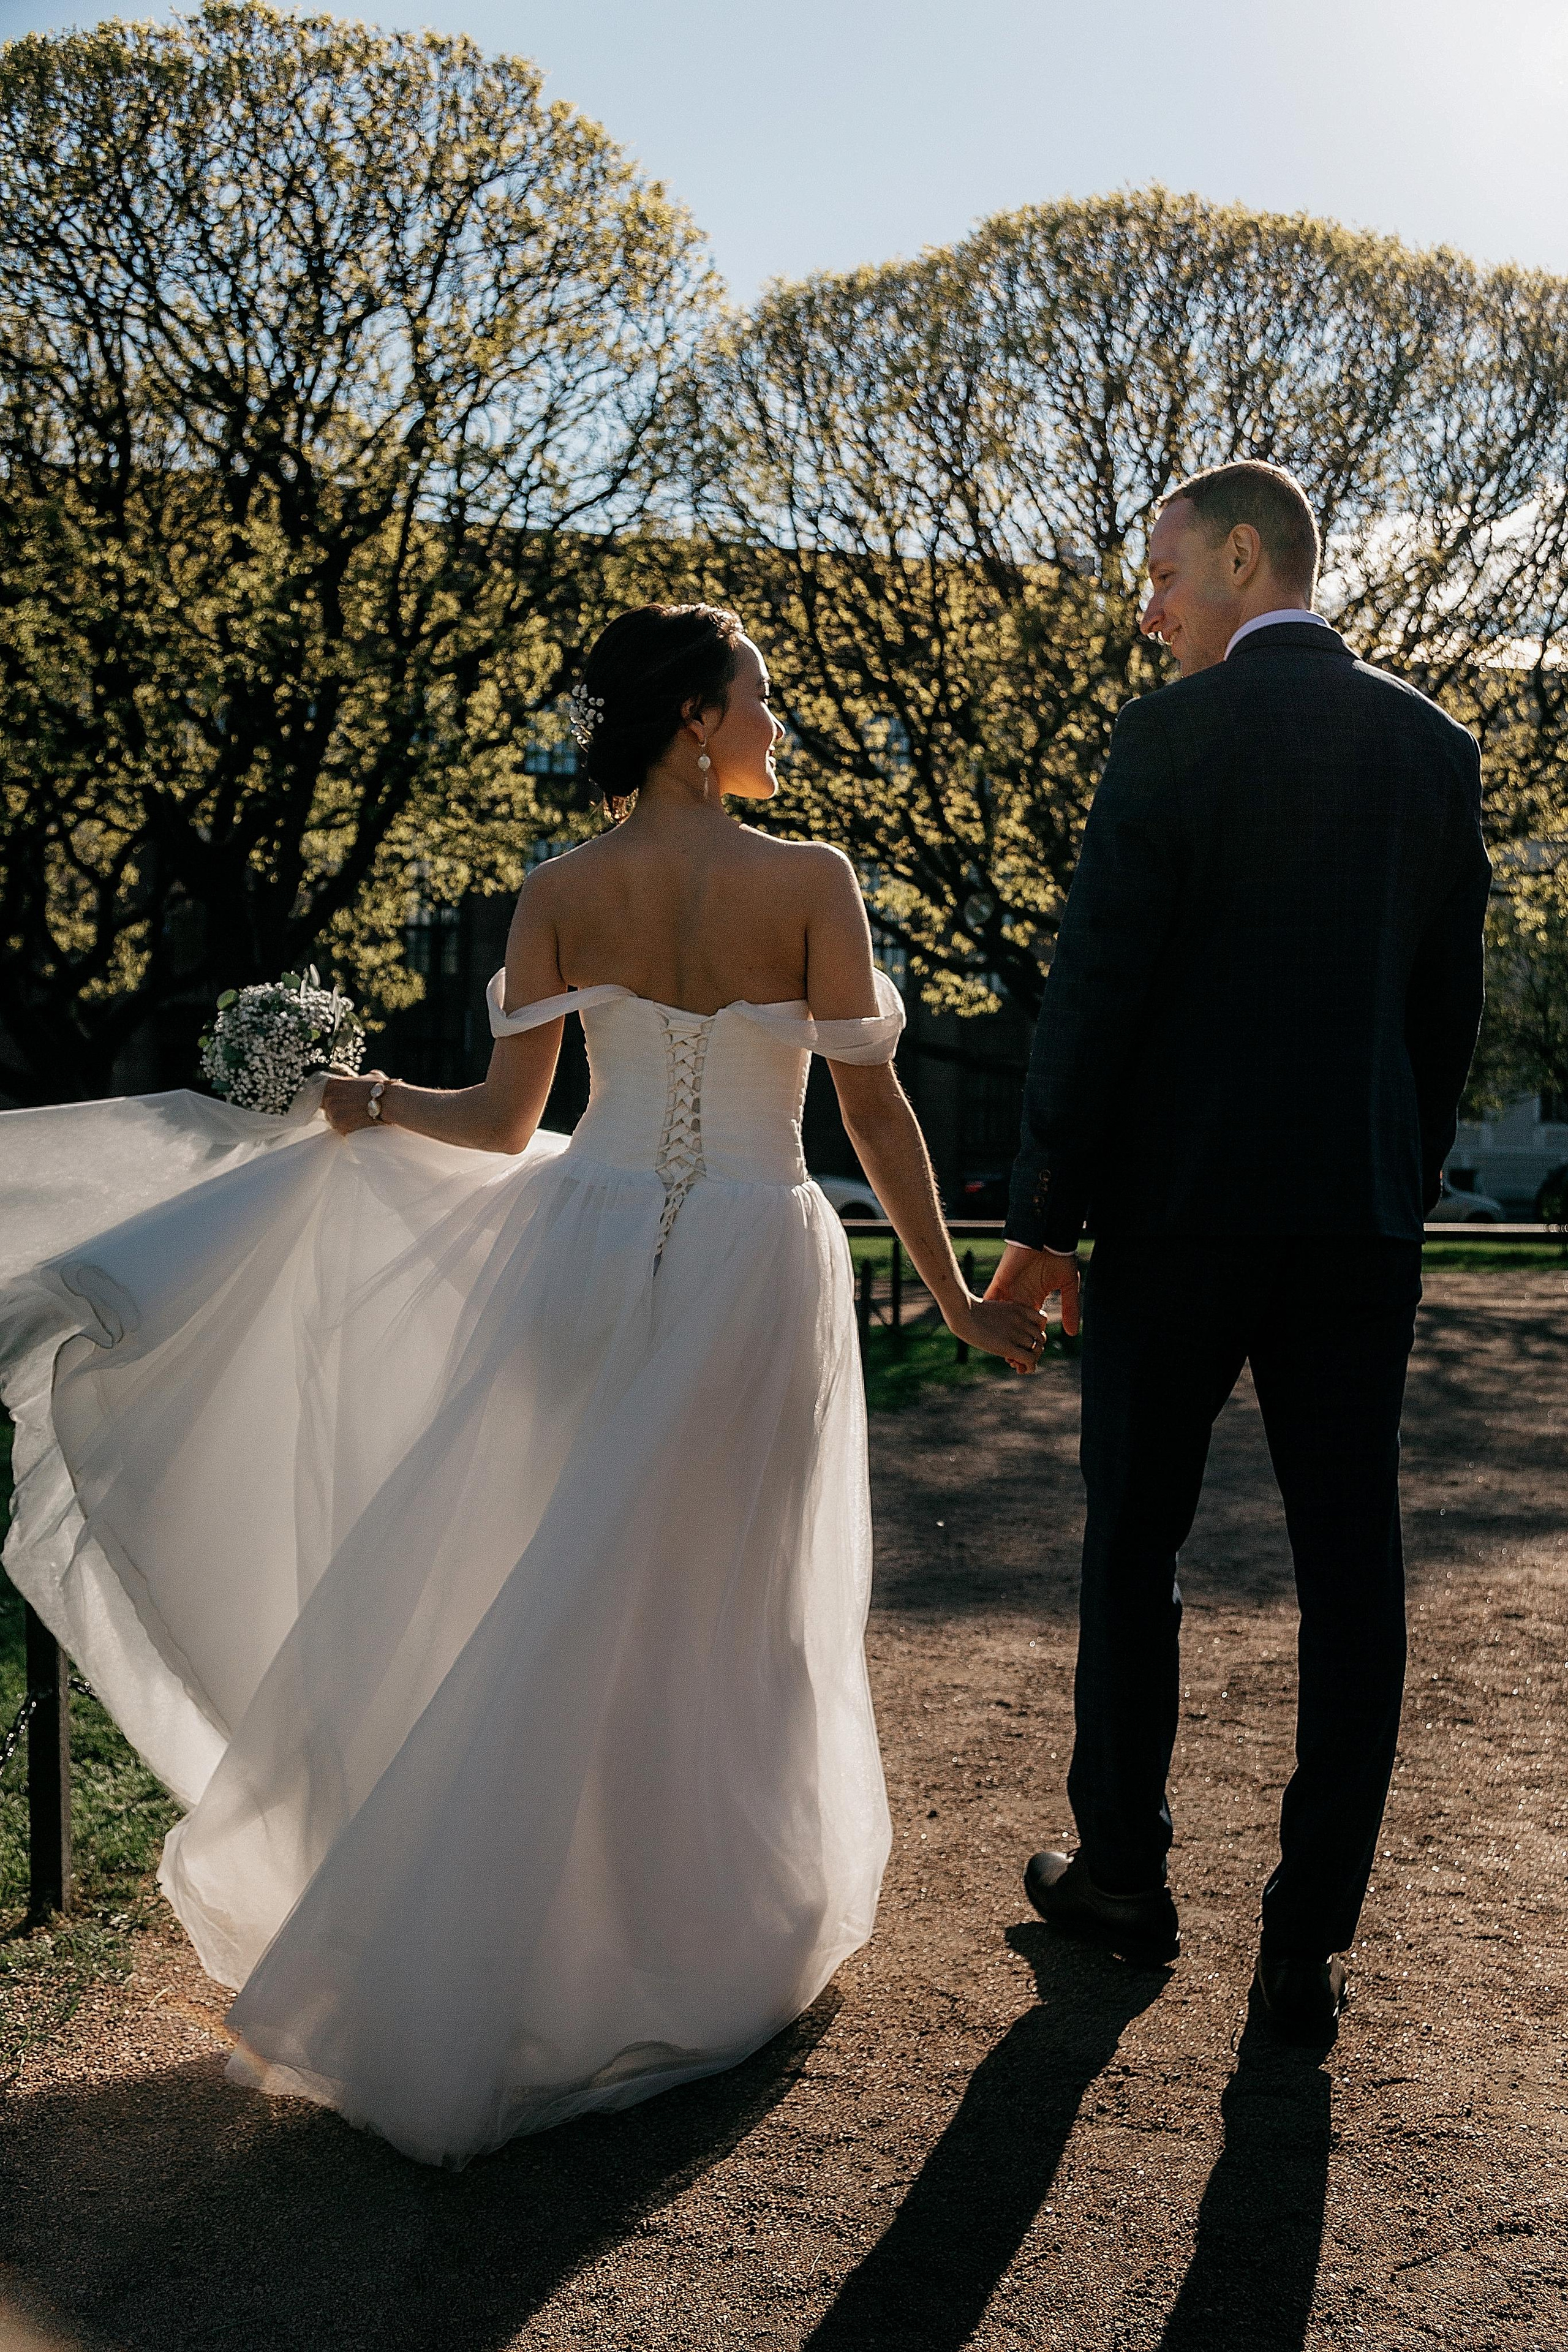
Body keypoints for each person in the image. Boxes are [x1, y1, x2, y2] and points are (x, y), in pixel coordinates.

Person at [0, 602, 1045, 2165]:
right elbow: (875, 1111)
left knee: (572, 1579)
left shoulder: (559, 890)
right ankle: (690, 1923)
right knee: (722, 1594)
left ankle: (533, 1928)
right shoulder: (811, 881)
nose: (777, 723)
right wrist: (951, 1294)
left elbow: (499, 1124)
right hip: (753, 1257)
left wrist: (367, 1098)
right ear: (695, 716)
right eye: (760, 695)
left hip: (587, 1248)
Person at [989, 462, 1490, 2040]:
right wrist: (1392, 1177)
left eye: (1160, 573)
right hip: (1353, 1219)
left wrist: (1043, 1220)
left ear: (1243, 557)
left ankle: (1122, 1878)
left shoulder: (1167, 739)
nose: (1146, 609)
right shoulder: (1432, 748)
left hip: (1178, 1212)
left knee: (1132, 1544)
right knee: (1351, 1566)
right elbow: (1443, 1014)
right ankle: (1303, 1944)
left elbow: (1097, 990)